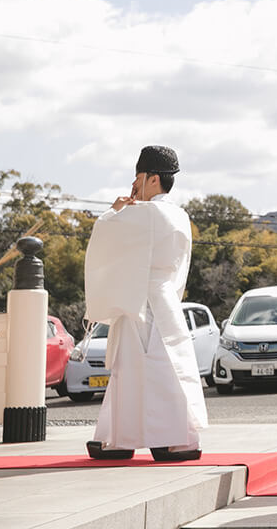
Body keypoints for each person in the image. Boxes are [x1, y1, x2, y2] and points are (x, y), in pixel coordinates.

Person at [82, 145, 207, 461]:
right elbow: (182, 266)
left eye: (138, 177)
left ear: (153, 178)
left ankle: (155, 440)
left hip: (141, 300)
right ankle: (156, 438)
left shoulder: (142, 213)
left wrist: (114, 211)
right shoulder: (178, 214)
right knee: (160, 366)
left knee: (142, 368)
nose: (134, 184)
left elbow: (105, 238)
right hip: (164, 297)